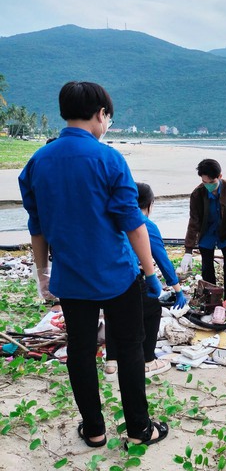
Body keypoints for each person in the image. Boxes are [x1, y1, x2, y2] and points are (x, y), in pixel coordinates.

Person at [18, 81, 168, 448]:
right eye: (108, 117)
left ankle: (95, 430)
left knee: (81, 352)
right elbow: (133, 224)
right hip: (116, 275)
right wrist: (150, 273)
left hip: (70, 279)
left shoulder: (38, 161)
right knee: (130, 348)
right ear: (101, 115)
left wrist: (42, 276)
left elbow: (37, 228)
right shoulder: (109, 159)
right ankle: (138, 429)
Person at [104, 183, 188, 381]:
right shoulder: (145, 225)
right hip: (131, 277)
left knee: (113, 315)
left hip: (108, 277)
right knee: (152, 310)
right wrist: (178, 290)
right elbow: (162, 259)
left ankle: (111, 364)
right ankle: (148, 362)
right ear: (150, 204)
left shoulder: (113, 219)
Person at [181, 159, 226, 299]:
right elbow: (194, 222)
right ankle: (211, 300)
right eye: (204, 182)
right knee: (207, 268)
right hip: (207, 233)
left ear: (220, 176)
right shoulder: (197, 194)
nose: (208, 185)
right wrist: (188, 250)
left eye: (211, 182)